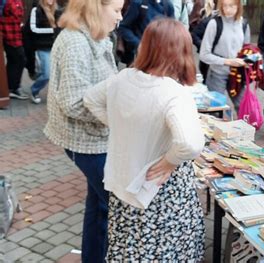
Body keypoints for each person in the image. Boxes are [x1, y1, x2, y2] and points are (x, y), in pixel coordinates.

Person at [84, 18, 206, 261]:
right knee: (164, 252)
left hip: (125, 183)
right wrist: (171, 160)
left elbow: (90, 98)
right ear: (180, 51)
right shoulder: (173, 92)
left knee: (127, 247)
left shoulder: (123, 77)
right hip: (160, 191)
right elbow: (191, 143)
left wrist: (120, 125)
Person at [43, 0, 123, 261]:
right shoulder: (75, 42)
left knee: (99, 205)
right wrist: (117, 116)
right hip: (84, 142)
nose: (121, 17)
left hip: (95, 139)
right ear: (96, 7)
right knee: (117, 205)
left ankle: (93, 257)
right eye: (116, 10)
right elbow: (73, 102)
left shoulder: (96, 36)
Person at [199, 0, 250, 113]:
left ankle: (243, 130)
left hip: (237, 74)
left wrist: (249, 61)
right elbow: (204, 55)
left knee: (243, 108)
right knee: (215, 111)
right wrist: (228, 61)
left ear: (238, 6)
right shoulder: (214, 23)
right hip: (217, 74)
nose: (227, 10)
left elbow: (247, 50)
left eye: (231, 6)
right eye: (224, 6)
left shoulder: (244, 24)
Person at [117, 0, 174, 64]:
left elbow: (171, 31)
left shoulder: (168, 5)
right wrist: (138, 44)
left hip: (160, 55)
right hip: (141, 54)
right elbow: (123, 27)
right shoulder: (139, 3)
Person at [28, 0, 62, 104]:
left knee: (59, 74)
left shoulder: (58, 9)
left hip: (57, 46)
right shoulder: (36, 10)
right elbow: (33, 28)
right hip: (43, 47)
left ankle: (58, 96)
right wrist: (53, 30)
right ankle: (34, 90)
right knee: (47, 74)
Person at [0, 0, 28, 99]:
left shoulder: (18, 1)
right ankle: (12, 87)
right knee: (20, 59)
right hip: (8, 35)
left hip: (16, 34)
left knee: (15, 60)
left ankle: (10, 87)